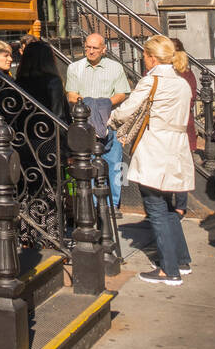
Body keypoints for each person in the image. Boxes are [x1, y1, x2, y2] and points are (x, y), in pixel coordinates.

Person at [108, 35, 194, 286]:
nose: (143, 59)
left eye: (144, 55)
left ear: (152, 57)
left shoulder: (152, 80)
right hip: (176, 148)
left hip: (155, 148)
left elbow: (127, 110)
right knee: (167, 206)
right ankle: (181, 260)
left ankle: (169, 271)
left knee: (155, 208)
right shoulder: (182, 83)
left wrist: (109, 120)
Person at [66, 33, 129, 214]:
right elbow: (71, 94)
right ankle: (93, 204)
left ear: (104, 49)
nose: (90, 51)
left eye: (95, 48)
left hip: (111, 123)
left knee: (115, 165)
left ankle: (113, 204)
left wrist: (104, 104)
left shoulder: (115, 68)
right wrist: (90, 103)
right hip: (86, 126)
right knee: (89, 165)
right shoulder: (74, 68)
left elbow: (122, 93)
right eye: (88, 47)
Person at [16, 39, 68, 121]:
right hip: (48, 130)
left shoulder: (19, 82)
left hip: (25, 130)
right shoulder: (53, 81)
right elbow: (59, 115)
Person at [171, 37, 197, 153]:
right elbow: (192, 98)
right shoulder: (187, 73)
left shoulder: (185, 73)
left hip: (174, 124)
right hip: (183, 121)